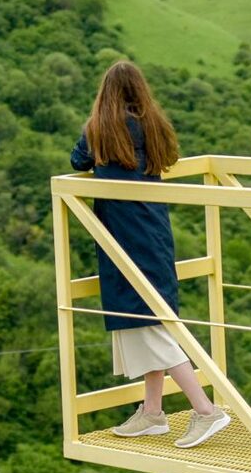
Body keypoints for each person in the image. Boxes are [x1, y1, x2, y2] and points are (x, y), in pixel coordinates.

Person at [72, 59, 231, 448]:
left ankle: (206, 411)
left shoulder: (100, 128)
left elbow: (78, 161)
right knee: (149, 316)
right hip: (155, 229)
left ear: (105, 93)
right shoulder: (154, 124)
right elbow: (169, 160)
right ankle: (153, 412)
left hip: (122, 234)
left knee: (148, 322)